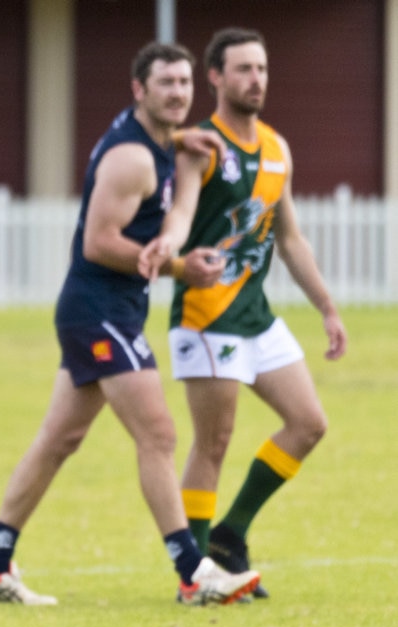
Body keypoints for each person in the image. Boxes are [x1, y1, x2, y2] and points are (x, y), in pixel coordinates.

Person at [0, 41, 261, 608]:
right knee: (159, 434)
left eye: (184, 83)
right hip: (97, 309)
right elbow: (100, 243)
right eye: (165, 83)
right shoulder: (134, 158)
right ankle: (192, 571)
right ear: (138, 89)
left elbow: (164, 198)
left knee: (59, 440)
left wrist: (181, 144)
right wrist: (178, 265)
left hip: (107, 310)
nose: (178, 93)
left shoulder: (158, 142)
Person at [139, 28, 347, 598]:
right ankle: (195, 575)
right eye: (243, 69)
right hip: (207, 314)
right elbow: (180, 210)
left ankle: (230, 536)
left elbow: (291, 237)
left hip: (257, 314)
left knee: (308, 424)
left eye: (262, 68)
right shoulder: (198, 142)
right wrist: (173, 246)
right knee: (214, 442)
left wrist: (327, 307)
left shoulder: (277, 148)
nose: (256, 79)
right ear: (216, 77)